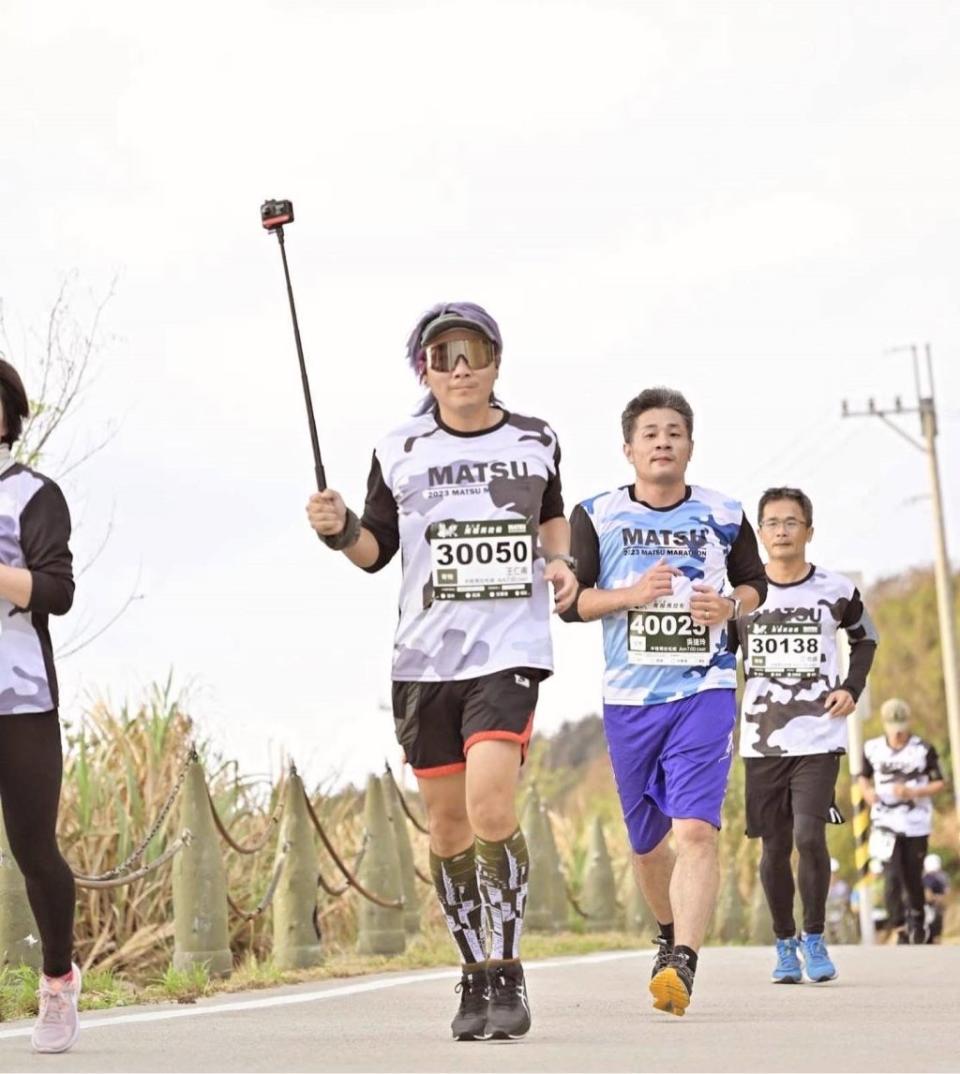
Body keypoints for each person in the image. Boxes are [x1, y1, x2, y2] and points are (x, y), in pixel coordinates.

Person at [306, 303, 577, 1041]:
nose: (460, 368)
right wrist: (339, 533)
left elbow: (553, 516)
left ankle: (508, 967)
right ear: (424, 368)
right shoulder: (398, 448)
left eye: (474, 353)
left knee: (493, 806)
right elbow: (375, 551)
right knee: (449, 826)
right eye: (443, 355)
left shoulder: (536, 439)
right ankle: (472, 977)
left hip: (509, 649)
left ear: (496, 361)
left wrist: (561, 561)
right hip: (425, 660)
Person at [562, 387, 766, 1017]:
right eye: (650, 433)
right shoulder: (595, 514)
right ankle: (666, 934)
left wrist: (730, 607)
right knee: (648, 843)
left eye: (674, 432)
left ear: (690, 446)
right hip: (629, 699)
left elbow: (755, 585)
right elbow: (572, 603)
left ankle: (684, 960)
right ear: (629, 449)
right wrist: (630, 594)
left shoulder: (725, 512)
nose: (662, 442)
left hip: (704, 688)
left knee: (696, 830)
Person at [730, 487, 878, 984]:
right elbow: (714, 651)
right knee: (774, 847)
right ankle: (784, 944)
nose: (781, 531)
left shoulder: (835, 588)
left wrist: (852, 687)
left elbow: (866, 637)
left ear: (808, 531)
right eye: (771, 523)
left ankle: (815, 939)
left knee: (809, 836)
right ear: (760, 534)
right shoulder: (744, 596)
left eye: (791, 522)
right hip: (761, 739)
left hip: (818, 735)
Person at [0, 358, 79, 1053]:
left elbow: (57, 590)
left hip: (19, 696)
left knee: (33, 847)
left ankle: (57, 979)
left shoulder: (33, 495)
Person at [860, 699, 945, 944]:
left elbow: (939, 781)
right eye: (893, 726)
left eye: (901, 726)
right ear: (885, 725)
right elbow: (863, 777)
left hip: (915, 821)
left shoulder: (922, 749)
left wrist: (914, 793)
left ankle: (917, 919)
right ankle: (898, 926)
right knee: (892, 875)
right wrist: (867, 793)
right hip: (885, 822)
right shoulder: (872, 748)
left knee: (912, 873)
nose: (898, 732)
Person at [922, 852, 950, 943]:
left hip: (931, 907)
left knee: (933, 928)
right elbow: (946, 892)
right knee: (934, 930)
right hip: (932, 906)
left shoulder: (928, 877)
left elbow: (928, 894)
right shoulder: (942, 876)